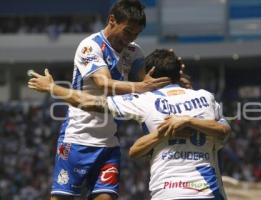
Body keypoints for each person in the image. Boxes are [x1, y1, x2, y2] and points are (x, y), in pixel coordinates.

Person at [28, 49, 230, 200]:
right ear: (179, 73)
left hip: (168, 192)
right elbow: (224, 131)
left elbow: (89, 102)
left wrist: (53, 88)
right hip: (208, 192)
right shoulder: (206, 98)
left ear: (150, 72)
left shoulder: (145, 100)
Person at [30, 1, 170, 200]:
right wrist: (140, 87)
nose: (130, 38)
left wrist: (173, 79)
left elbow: (147, 79)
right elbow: (103, 82)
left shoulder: (133, 51)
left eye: (136, 34)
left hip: (109, 144)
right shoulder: (90, 46)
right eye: (127, 31)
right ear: (112, 20)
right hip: (77, 139)